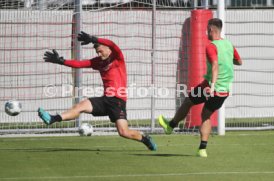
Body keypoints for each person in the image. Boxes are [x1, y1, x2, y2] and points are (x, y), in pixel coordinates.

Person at [38, 31, 157, 151]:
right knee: (80, 106)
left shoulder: (117, 57)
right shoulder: (98, 61)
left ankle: (145, 139)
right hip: (105, 99)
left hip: (118, 101)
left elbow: (112, 43)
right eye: (97, 52)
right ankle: (53, 119)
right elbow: (79, 64)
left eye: (100, 51)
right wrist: (62, 61)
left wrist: (94, 39)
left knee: (123, 132)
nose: (99, 54)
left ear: (108, 49)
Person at [158, 18, 242, 157]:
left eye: (206, 30)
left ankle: (170, 126)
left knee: (188, 101)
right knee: (206, 115)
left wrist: (212, 87)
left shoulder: (211, 46)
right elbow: (239, 61)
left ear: (211, 30)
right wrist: (226, 59)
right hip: (224, 91)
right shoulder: (229, 44)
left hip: (210, 87)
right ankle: (202, 149)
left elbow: (215, 66)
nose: (205, 33)